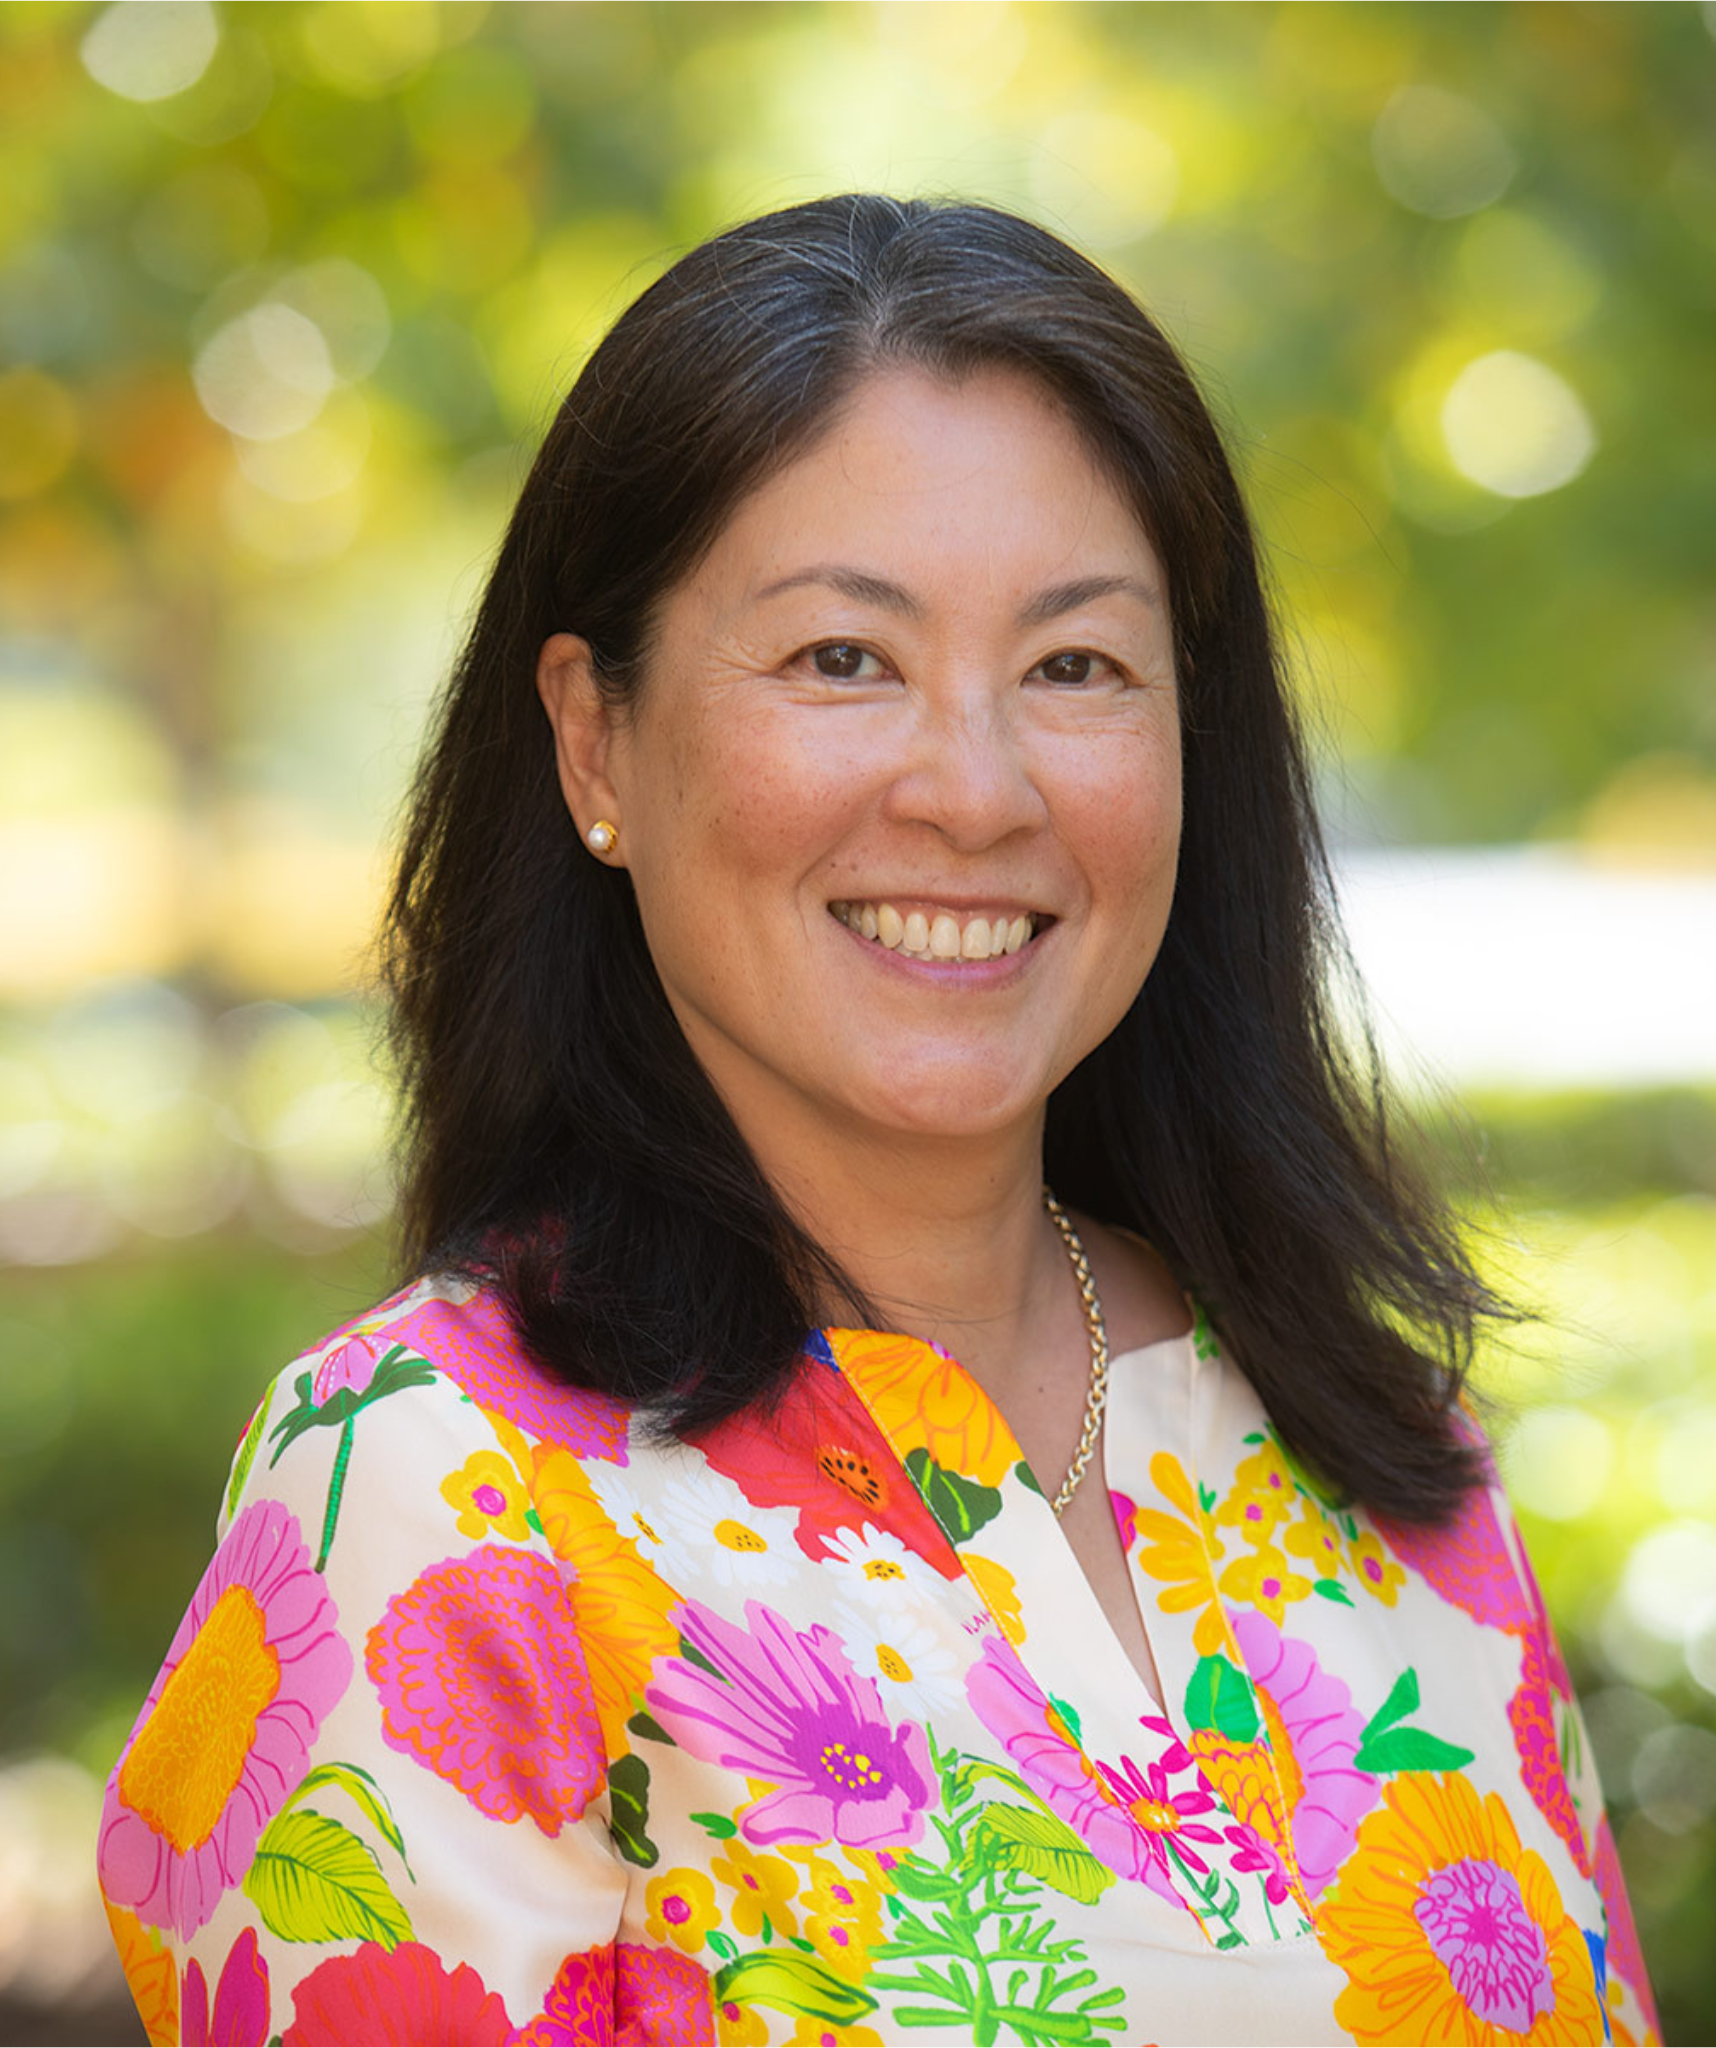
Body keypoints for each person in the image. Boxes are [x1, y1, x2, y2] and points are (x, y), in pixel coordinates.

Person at [96, 195, 1657, 2048]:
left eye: (1076, 667)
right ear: (596, 741)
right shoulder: (437, 1495)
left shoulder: (1380, 1447)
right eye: (844, 657)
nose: (975, 791)